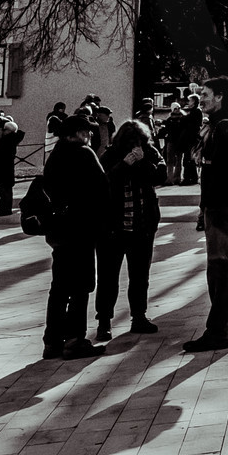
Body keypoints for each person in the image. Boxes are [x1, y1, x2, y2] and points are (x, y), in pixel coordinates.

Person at [183, 76, 228, 354]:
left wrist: (209, 205)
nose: (201, 98)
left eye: (206, 94)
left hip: (222, 206)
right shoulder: (227, 123)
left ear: (221, 96)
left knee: (220, 268)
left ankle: (217, 332)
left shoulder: (223, 126)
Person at [41, 113, 108, 360]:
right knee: (81, 286)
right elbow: (102, 188)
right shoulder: (84, 153)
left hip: (58, 231)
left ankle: (52, 341)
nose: (90, 134)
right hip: (81, 229)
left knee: (58, 287)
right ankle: (75, 339)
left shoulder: (54, 156)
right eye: (87, 131)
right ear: (76, 133)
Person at [95, 117, 166, 339]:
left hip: (142, 226)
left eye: (139, 142)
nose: (135, 146)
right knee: (108, 277)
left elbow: (161, 176)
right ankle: (104, 321)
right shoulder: (110, 155)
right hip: (112, 229)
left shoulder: (150, 152)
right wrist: (125, 163)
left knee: (140, 275)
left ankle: (139, 317)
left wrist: (143, 161)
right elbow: (103, 183)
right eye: (131, 142)